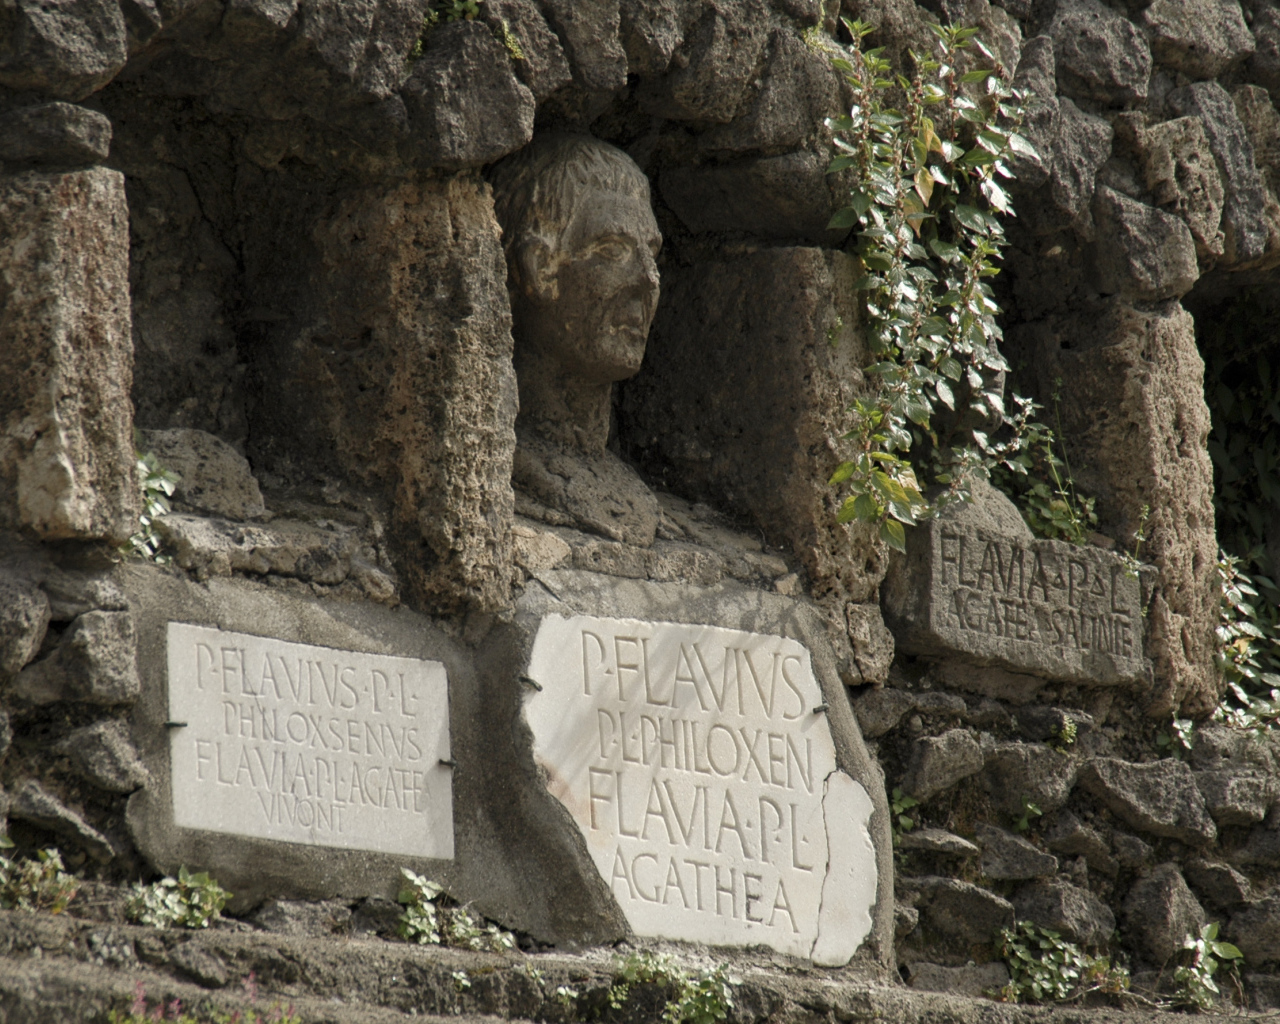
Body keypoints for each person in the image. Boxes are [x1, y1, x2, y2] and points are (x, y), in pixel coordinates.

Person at [491, 134, 663, 546]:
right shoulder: (495, 469)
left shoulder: (638, 497)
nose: (648, 279)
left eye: (652, 254)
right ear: (538, 268)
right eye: (613, 250)